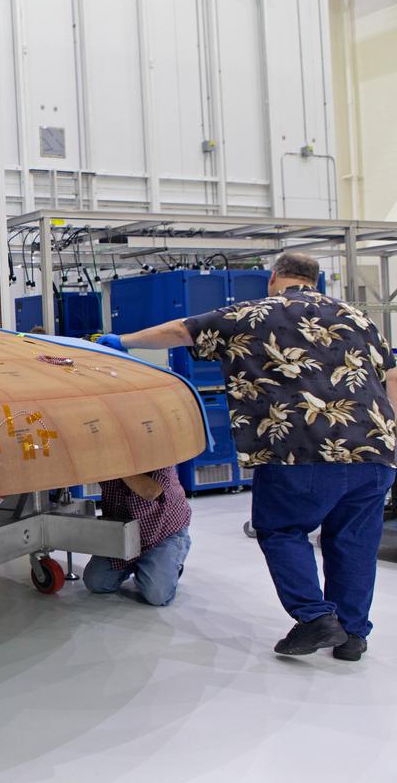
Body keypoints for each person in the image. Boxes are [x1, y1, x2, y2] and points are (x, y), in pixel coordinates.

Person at [98, 253, 397, 660]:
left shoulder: (254, 313)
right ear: (316, 280)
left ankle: (314, 617)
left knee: (281, 529)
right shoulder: (358, 318)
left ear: (273, 277)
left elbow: (182, 330)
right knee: (354, 542)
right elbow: (391, 374)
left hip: (298, 449)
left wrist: (123, 341)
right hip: (374, 451)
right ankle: (353, 636)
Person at [84, 468, 191, 606]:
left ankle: (171, 565)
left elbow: (151, 491)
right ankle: (141, 566)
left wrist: (116, 465)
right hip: (124, 532)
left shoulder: (158, 455)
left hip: (163, 531)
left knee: (157, 594)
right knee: (95, 582)